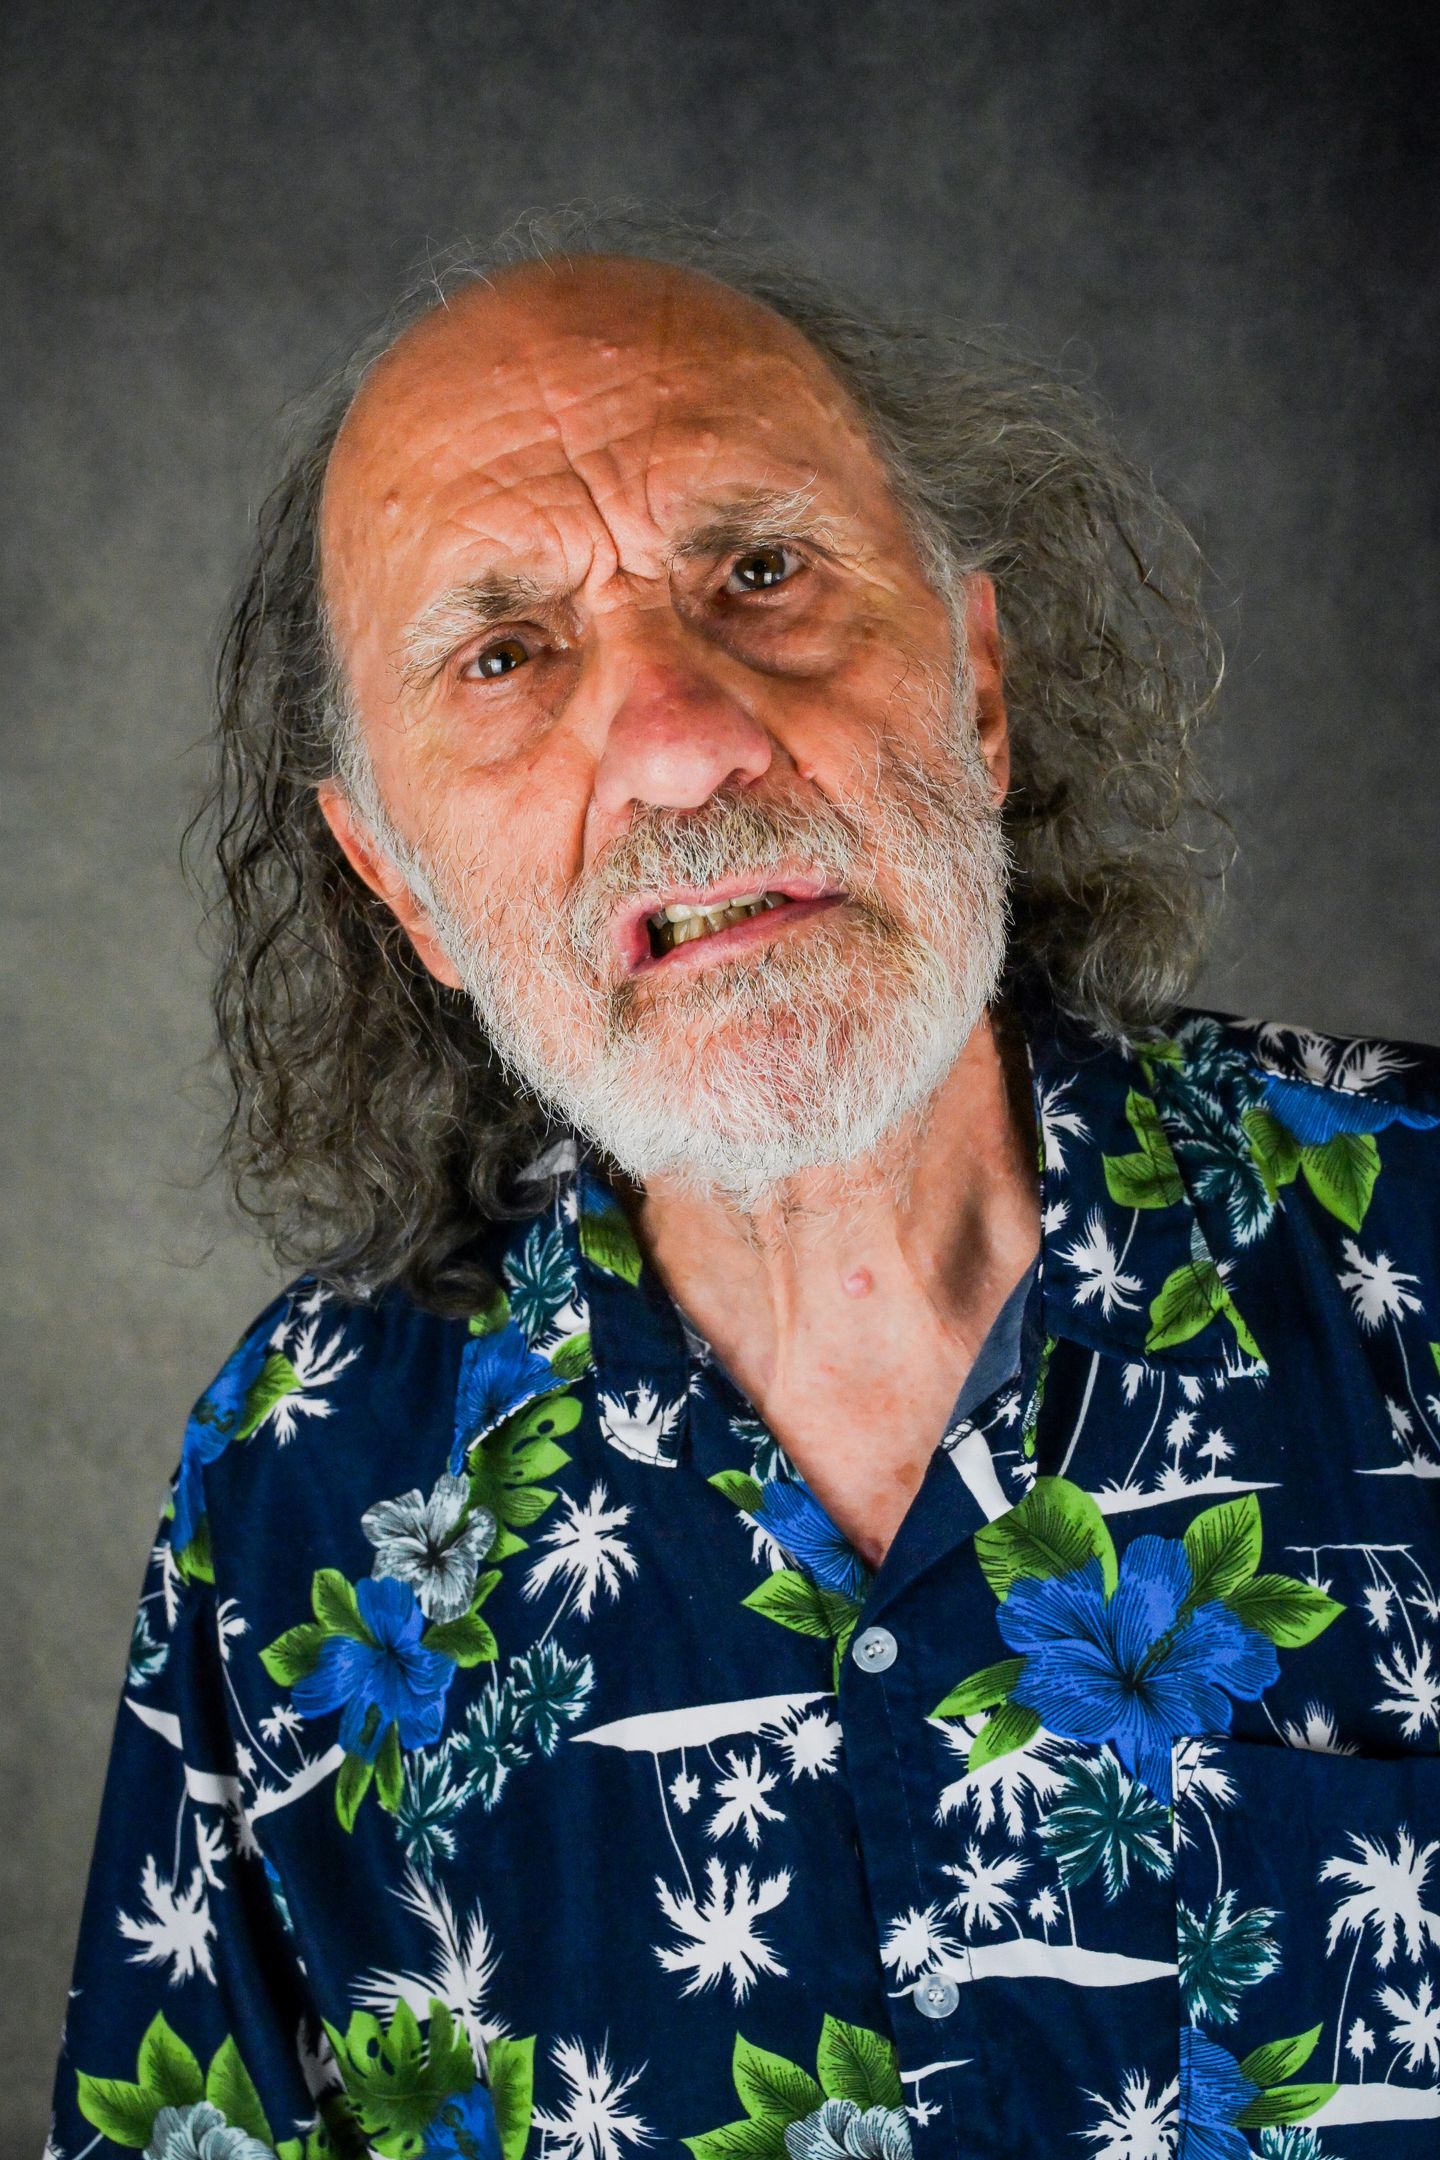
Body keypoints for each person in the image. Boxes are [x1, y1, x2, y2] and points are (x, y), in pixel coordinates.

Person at [49, 212, 1440, 2160]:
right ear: (400, 884)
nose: (684, 743)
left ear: (974, 682)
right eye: (506, 654)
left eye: (763, 573)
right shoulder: (301, 1490)